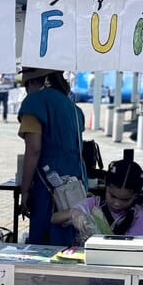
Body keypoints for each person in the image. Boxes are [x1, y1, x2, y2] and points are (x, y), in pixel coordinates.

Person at [17, 67, 87, 247]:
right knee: (70, 240)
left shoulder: (34, 102)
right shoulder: (74, 107)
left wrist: (24, 191)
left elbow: (33, 149)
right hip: (75, 184)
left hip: (48, 186)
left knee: (44, 245)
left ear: (32, 81)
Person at [52, 154, 143, 242]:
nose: (117, 203)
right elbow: (54, 218)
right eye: (113, 196)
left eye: (125, 200)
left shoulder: (138, 216)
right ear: (105, 185)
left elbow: (135, 248)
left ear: (136, 196)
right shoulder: (93, 204)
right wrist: (73, 213)